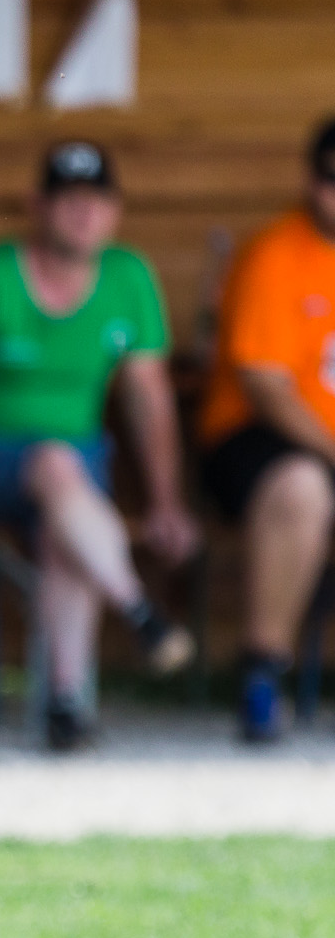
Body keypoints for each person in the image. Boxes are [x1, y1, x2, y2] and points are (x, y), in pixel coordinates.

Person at [0, 141, 199, 751]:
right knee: (59, 469)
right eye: (69, 200)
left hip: (77, 467)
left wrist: (165, 502)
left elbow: (148, 398)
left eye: (98, 200)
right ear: (38, 206)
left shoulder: (128, 276)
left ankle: (66, 703)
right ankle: (136, 610)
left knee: (66, 517)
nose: (84, 213)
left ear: (116, 210)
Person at [196, 118, 335, 742]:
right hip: (255, 439)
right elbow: (265, 386)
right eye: (332, 181)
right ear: (311, 181)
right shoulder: (275, 254)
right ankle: (262, 672)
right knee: (302, 487)